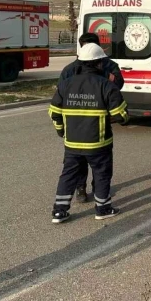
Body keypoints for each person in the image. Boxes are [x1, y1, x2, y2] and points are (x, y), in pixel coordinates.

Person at [49, 43, 127, 223]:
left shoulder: (65, 84)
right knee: (101, 174)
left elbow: (54, 112)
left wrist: (62, 132)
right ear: (100, 63)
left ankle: (59, 211)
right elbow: (121, 115)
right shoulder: (106, 85)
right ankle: (103, 209)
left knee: (68, 175)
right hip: (99, 143)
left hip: (72, 143)